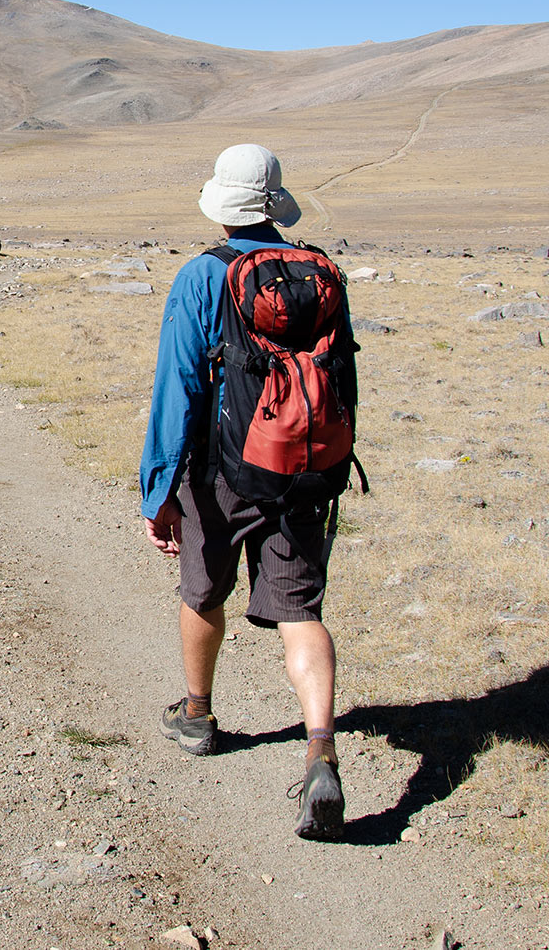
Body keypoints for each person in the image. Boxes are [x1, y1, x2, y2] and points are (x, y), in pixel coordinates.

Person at [140, 143, 347, 841]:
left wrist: (159, 490)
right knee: (300, 609)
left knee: (202, 589)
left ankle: (196, 714)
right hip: (299, 468)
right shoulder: (320, 273)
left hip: (220, 469)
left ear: (223, 208)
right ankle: (321, 746)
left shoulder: (202, 276)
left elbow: (179, 388)